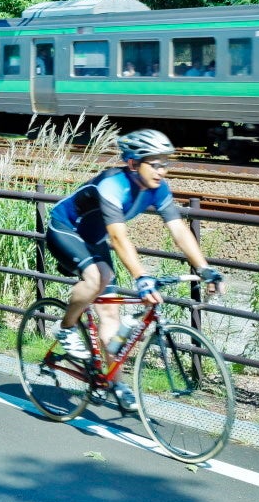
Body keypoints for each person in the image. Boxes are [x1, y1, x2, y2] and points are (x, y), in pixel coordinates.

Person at [45, 128, 223, 365]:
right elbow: (118, 238)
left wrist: (204, 268)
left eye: (165, 164)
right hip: (66, 229)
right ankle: (65, 328)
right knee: (99, 278)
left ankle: (113, 385)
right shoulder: (112, 184)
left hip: (95, 239)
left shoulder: (158, 188)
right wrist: (141, 277)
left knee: (111, 316)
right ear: (132, 163)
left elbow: (179, 229)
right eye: (155, 164)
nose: (162, 171)